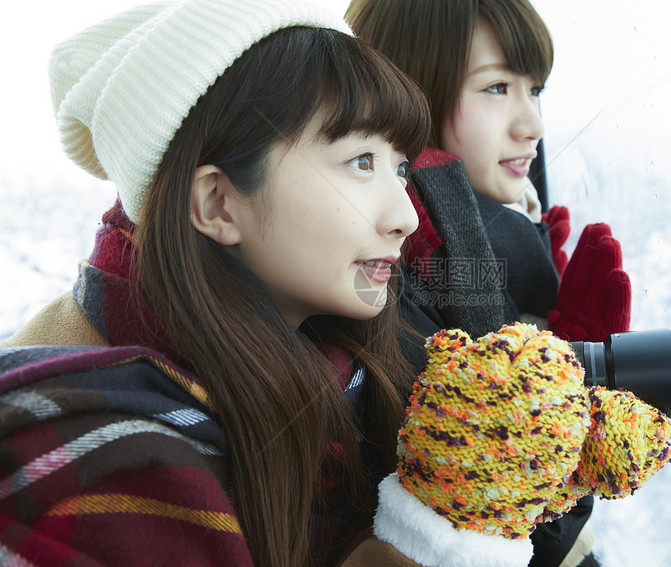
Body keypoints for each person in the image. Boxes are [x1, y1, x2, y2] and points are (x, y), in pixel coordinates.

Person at [0, 0, 432, 564]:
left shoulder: (348, 373)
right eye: (360, 162)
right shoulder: (101, 467)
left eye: (400, 167)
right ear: (218, 203)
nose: (406, 217)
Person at [346, 1, 633, 565]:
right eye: (497, 87)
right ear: (410, 95)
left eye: (535, 89)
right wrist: (574, 400)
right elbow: (498, 507)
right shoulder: (402, 268)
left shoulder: (500, 238)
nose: (533, 124)